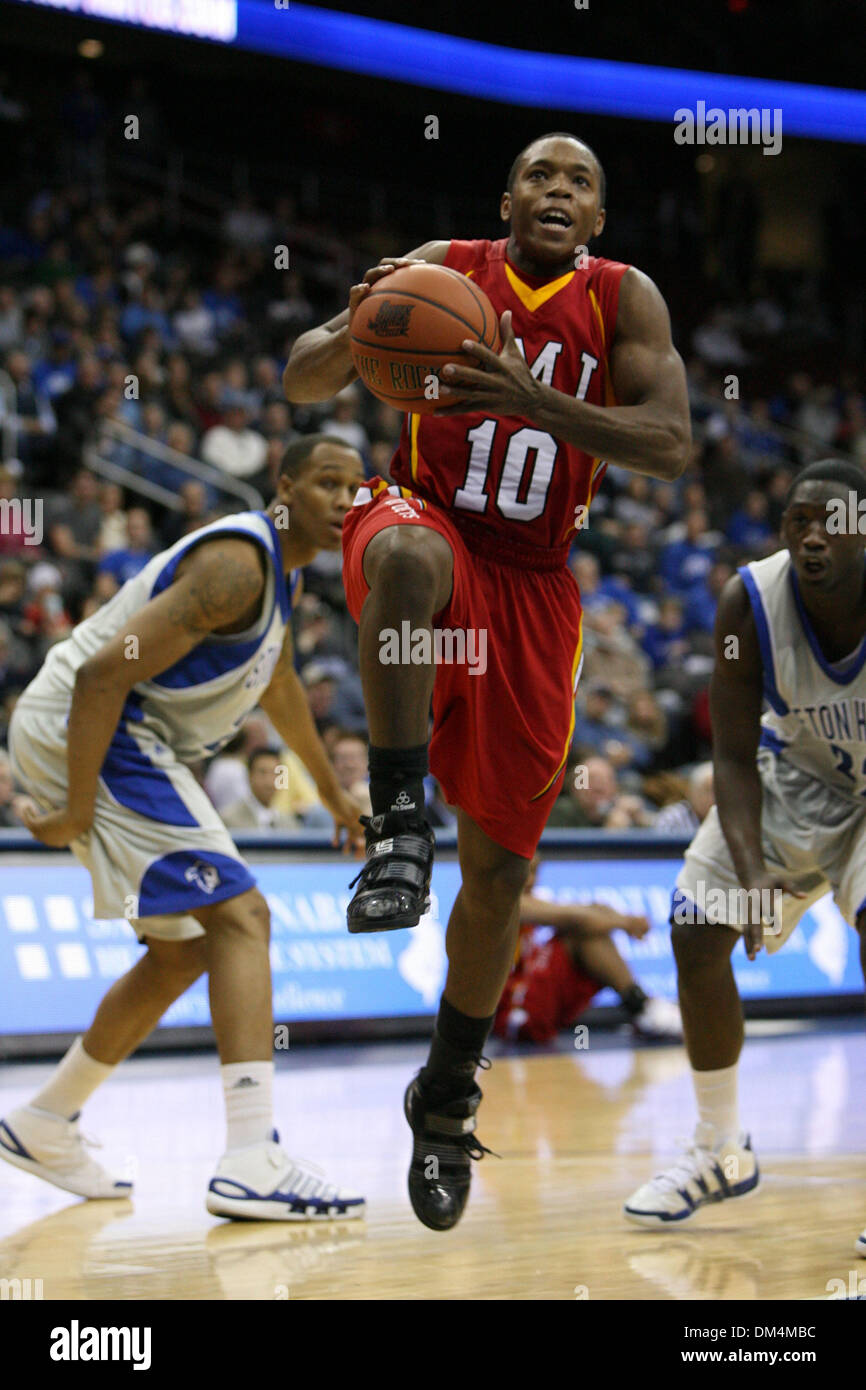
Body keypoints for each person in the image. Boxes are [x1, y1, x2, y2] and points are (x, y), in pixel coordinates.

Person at [285, 131, 690, 1231]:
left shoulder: (623, 299)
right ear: (506, 195)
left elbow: (669, 441)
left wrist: (530, 394)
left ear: (597, 217)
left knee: (503, 878)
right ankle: (397, 826)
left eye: (580, 183)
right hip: (428, 525)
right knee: (409, 554)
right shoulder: (442, 269)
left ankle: (446, 1089)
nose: (557, 191)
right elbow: (300, 375)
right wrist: (357, 320)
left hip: (532, 587)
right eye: (539, 175)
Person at [1, 433, 367, 1223]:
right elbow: (103, 673)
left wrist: (339, 800)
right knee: (243, 917)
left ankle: (44, 1120)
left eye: (354, 488)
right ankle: (250, 1158)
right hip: (91, 724)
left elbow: (278, 683)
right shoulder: (238, 565)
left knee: (186, 954)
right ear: (284, 488)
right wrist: (70, 808)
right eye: (326, 483)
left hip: (122, 731)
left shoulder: (283, 581)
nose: (344, 500)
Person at [624, 459, 866, 1257]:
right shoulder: (748, 600)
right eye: (797, 520)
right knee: (696, 930)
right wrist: (754, 877)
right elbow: (728, 755)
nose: (810, 535)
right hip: (790, 777)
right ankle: (721, 1147)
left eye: (830, 519)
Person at [493, 855, 682, 1043]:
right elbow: (576, 918)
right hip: (511, 1014)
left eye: (534, 872)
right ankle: (642, 1008)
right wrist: (626, 923)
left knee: (587, 931)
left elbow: (590, 909)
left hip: (527, 1001)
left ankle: (643, 1008)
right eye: (524, 872)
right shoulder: (503, 901)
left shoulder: (532, 900)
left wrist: (623, 919)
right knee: (582, 934)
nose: (530, 879)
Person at [221, 747, 300, 830]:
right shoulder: (229, 820)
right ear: (250, 775)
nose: (269, 781)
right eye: (263, 773)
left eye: (276, 773)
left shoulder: (289, 823)